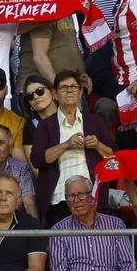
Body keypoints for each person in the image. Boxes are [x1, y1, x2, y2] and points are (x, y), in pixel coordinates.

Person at [30, 71, 115, 223]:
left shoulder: (94, 121)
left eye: (73, 87)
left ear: (81, 92)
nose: (69, 90)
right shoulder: (46, 125)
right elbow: (38, 159)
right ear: (55, 94)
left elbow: (114, 157)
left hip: (92, 199)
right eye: (64, 88)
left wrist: (97, 144)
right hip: (60, 199)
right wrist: (66, 144)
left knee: (95, 245)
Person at [47, 176, 136, 271]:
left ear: (91, 196)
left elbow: (129, 264)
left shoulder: (115, 224)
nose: (76, 200)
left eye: (81, 194)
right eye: (71, 196)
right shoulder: (58, 230)